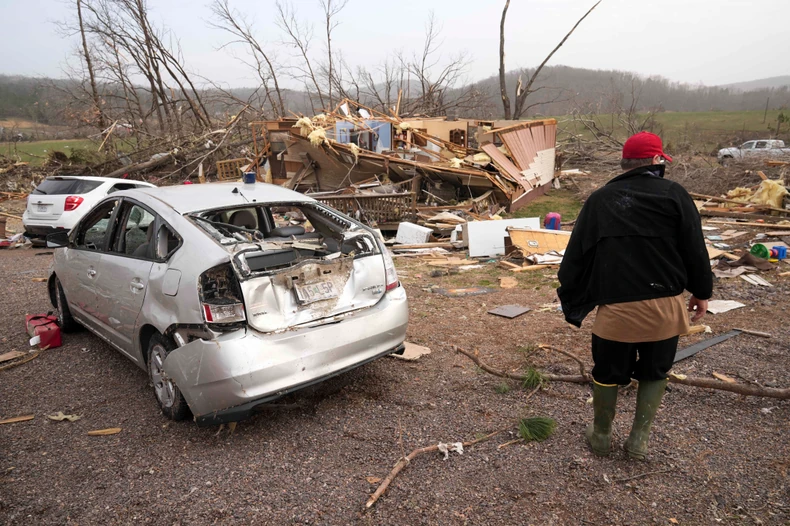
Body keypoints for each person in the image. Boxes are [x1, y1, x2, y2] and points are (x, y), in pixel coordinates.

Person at [557, 131, 712, 459]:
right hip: (665, 311)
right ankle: (638, 441)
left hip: (616, 313)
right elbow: (695, 249)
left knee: (607, 373)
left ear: (625, 164)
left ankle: (601, 436)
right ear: (656, 161)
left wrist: (571, 297)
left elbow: (575, 257)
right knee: (655, 372)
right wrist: (701, 292)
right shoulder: (674, 195)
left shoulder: (600, 199)